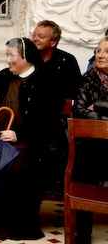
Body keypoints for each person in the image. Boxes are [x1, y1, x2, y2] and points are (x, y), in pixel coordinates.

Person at [0, 37, 64, 240]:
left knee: (16, 164)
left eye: (11, 55)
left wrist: (19, 135)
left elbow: (49, 121)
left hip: (34, 142)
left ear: (26, 57)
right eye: (6, 55)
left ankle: (12, 225)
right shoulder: (5, 76)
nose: (7, 60)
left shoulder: (46, 80)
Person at [31, 20, 81, 193]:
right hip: (31, 116)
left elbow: (76, 94)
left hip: (58, 118)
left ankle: (57, 185)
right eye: (34, 35)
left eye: (41, 36)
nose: (35, 39)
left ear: (53, 41)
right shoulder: (27, 59)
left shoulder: (66, 60)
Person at [71, 36, 108, 244]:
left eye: (106, 51)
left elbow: (91, 109)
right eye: (98, 50)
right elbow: (79, 111)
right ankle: (82, 233)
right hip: (91, 143)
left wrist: (100, 106)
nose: (100, 55)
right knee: (84, 164)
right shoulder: (88, 79)